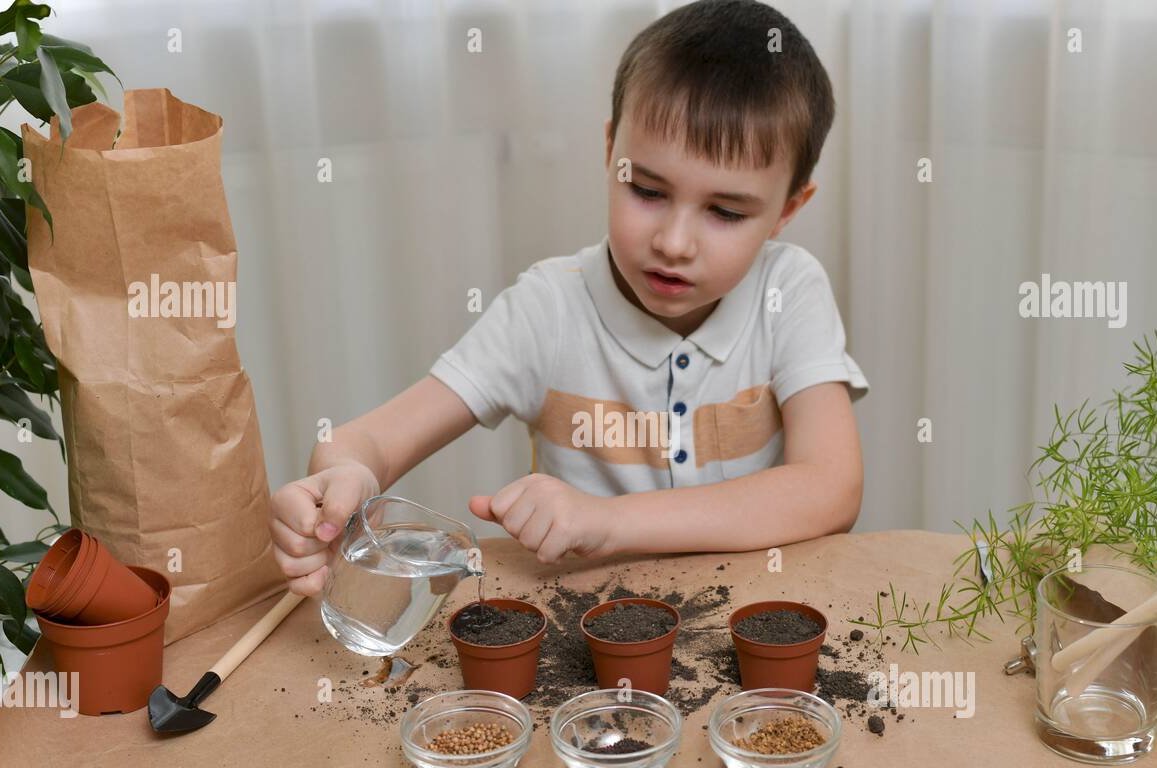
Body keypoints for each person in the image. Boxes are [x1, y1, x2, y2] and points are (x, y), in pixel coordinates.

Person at [272, 0, 869, 596]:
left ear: (787, 210)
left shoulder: (788, 290)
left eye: (725, 211)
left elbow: (830, 486)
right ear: (612, 151)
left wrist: (608, 521)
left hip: (751, 621)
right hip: (587, 639)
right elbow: (363, 441)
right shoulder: (549, 309)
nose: (674, 242)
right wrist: (343, 474)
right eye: (647, 190)